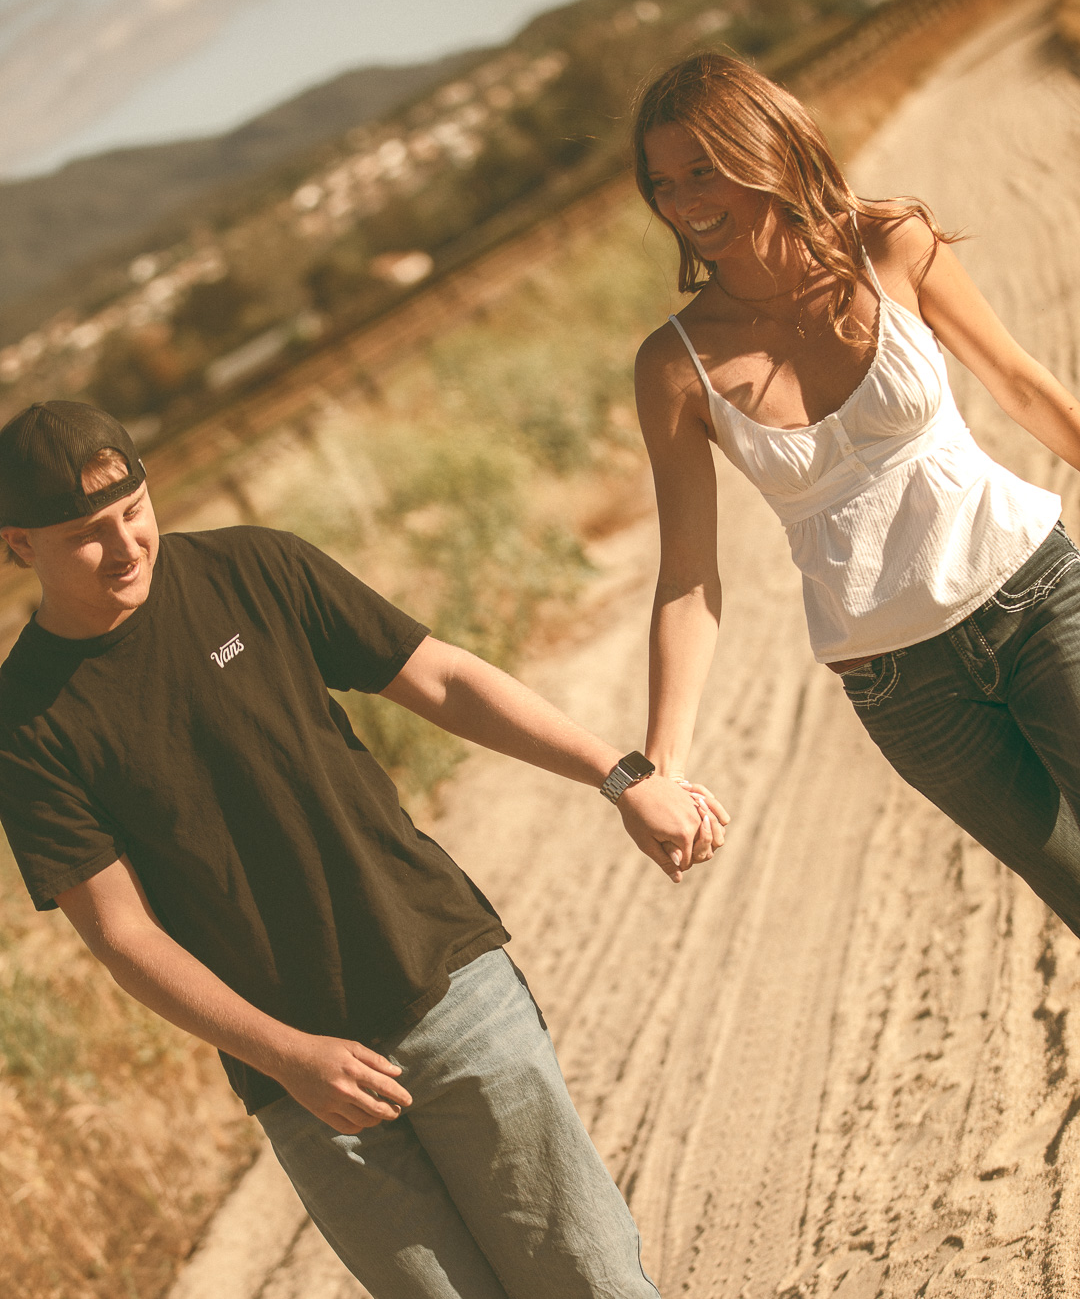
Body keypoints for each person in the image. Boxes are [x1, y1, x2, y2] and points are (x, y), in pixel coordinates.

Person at [0, 399, 726, 1299]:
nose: (125, 546)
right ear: (20, 546)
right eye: (84, 535)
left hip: (447, 990)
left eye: (133, 511)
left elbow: (443, 677)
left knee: (592, 1282)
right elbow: (123, 935)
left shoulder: (254, 568)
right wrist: (287, 1057)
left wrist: (620, 778)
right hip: (305, 1087)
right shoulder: (27, 722)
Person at [631, 52, 1080, 937]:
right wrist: (659, 764)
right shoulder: (675, 367)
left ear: (766, 147)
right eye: (663, 183)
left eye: (703, 168)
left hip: (1036, 601)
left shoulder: (890, 243)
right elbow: (688, 578)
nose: (684, 202)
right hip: (905, 690)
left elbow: (1027, 390)